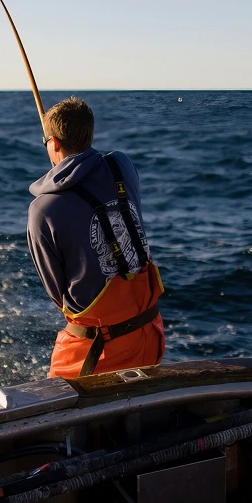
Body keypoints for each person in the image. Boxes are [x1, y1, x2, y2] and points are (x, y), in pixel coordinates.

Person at [27, 97, 165, 378]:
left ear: (53, 144)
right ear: (90, 132)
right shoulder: (121, 167)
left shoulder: (42, 210)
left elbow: (58, 294)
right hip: (149, 332)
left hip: (95, 351)